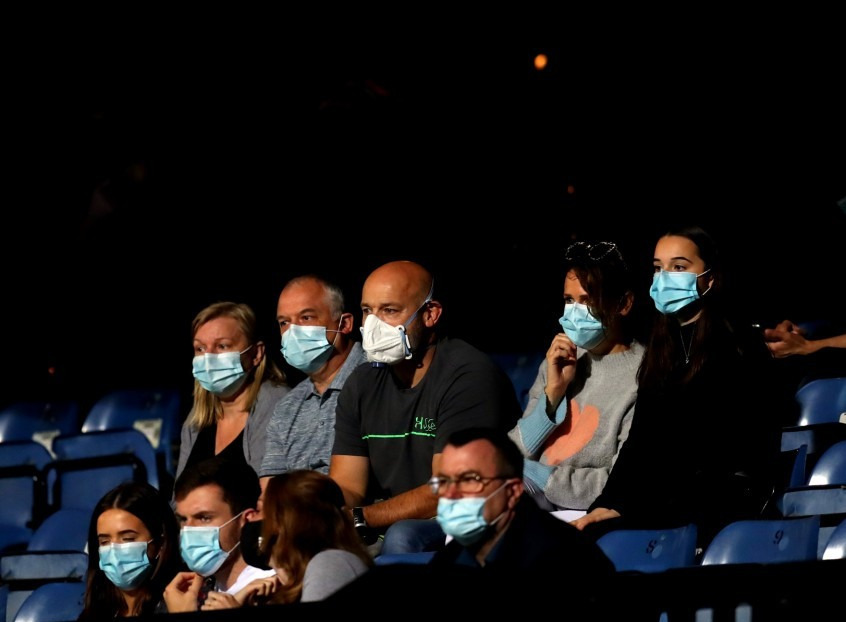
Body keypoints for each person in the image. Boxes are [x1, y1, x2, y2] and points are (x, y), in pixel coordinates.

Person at [571, 225, 788, 551]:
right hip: (667, 502)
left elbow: (723, 451)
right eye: (659, 267)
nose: (665, 277)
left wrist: (634, 507)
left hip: (721, 503)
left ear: (710, 279)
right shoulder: (662, 348)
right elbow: (639, 444)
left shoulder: (740, 346)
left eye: (679, 266)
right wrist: (606, 505)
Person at [329, 260, 522, 555]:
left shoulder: (468, 375)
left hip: (455, 520)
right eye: (368, 311)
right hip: (378, 525)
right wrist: (321, 512)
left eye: (390, 311)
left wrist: (360, 518)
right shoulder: (362, 383)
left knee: (402, 537)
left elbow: (446, 490)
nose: (373, 325)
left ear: (430, 314)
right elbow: (347, 485)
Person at [508, 240, 646, 515]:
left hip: (586, 512)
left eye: (587, 300)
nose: (574, 311)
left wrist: (543, 476)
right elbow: (512, 455)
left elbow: (622, 482)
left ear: (624, 303)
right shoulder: (560, 360)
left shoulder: (644, 374)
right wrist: (552, 395)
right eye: (569, 300)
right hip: (534, 500)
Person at [429, 427, 615, 574]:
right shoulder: (452, 556)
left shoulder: (565, 558)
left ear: (512, 491)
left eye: (469, 480)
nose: (451, 493)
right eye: (444, 481)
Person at [258, 275, 366, 495]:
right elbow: (271, 492)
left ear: (344, 324)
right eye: (284, 322)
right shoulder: (287, 407)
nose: (293, 332)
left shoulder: (379, 380)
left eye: (306, 317)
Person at [204, 470, 372, 609]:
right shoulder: (280, 589)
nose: (249, 518)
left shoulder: (332, 563)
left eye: (260, 509)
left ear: (286, 522)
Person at [176, 301, 289, 485]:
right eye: (200, 348)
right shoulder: (197, 417)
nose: (209, 358)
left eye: (222, 346)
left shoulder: (276, 403)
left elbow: (268, 498)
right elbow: (178, 498)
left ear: (256, 354)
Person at [163, 457, 275, 612]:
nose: (188, 530)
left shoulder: (271, 589)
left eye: (204, 518)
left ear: (245, 519)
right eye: (183, 519)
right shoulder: (194, 594)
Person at [78, 481, 182, 620]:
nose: (114, 551)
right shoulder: (92, 614)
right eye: (104, 542)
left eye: (127, 539)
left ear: (159, 543)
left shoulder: (183, 605)